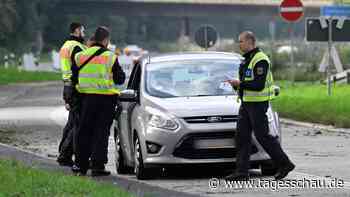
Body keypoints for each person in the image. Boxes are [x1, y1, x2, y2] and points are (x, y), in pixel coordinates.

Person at [225, 31, 295, 181]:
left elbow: (257, 85)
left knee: (262, 136)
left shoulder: (260, 59)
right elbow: (247, 83)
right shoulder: (246, 60)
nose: (239, 44)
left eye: (241, 41)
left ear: (250, 42)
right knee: (242, 137)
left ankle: (285, 163)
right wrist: (236, 86)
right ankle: (242, 172)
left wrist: (240, 83)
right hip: (246, 104)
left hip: (258, 105)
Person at [73, 26, 125, 176]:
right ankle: (97, 166)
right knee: (101, 133)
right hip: (106, 100)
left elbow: (74, 77)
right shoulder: (110, 56)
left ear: (93, 39)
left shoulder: (80, 56)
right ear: (106, 40)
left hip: (85, 99)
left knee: (84, 132)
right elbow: (120, 79)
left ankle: (81, 165)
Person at [57, 22, 87, 167]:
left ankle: (63, 153)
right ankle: (65, 154)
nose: (84, 33)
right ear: (76, 31)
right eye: (83, 30)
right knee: (77, 123)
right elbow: (79, 68)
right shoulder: (76, 47)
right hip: (75, 87)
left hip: (67, 86)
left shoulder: (65, 45)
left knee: (71, 123)